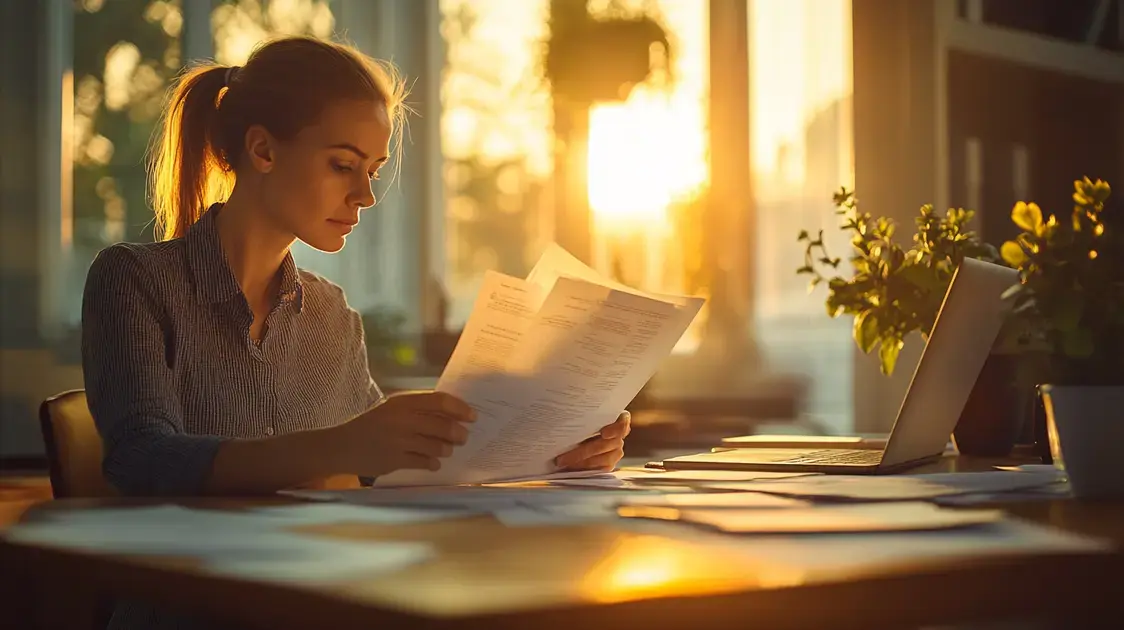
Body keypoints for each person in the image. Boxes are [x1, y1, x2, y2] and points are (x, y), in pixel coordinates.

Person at [81, 36, 630, 629]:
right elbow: (143, 459)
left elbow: (392, 473)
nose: (365, 195)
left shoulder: (330, 315)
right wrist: (343, 445)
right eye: (342, 165)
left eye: (372, 170)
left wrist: (558, 451)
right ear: (262, 149)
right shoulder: (133, 280)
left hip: (312, 604)